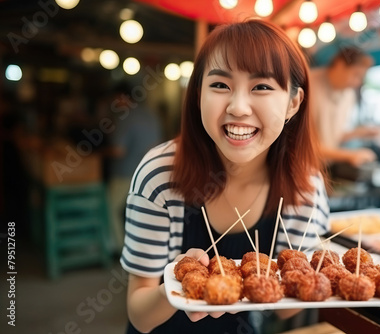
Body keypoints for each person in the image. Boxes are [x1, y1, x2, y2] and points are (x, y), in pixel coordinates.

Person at [120, 20, 330, 334]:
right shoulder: (160, 176)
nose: (238, 107)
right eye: (220, 85)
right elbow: (139, 314)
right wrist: (176, 287)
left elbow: (288, 312)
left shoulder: (305, 190)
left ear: (293, 103)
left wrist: (320, 273)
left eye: (261, 87)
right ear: (197, 94)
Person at [106, 84, 162, 252]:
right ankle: (140, 249)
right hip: (149, 174)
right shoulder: (151, 115)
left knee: (109, 208)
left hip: (126, 172)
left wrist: (98, 152)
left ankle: (118, 248)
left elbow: (118, 151)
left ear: (123, 98)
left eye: (116, 99)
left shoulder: (126, 117)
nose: (114, 103)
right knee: (140, 213)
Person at [310, 45, 379, 168]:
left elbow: (333, 137)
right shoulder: (308, 83)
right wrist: (349, 155)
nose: (358, 82)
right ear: (340, 65)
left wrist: (359, 133)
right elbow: (296, 142)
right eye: (356, 74)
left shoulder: (349, 94)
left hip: (323, 167)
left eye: (361, 78)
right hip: (297, 166)